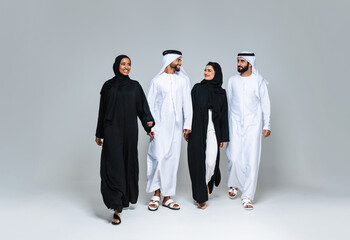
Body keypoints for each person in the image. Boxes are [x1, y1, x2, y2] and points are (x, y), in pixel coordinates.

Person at [95, 55, 154, 224]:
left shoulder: (134, 87)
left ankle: (123, 198)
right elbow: (102, 111)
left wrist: (148, 126)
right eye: (123, 64)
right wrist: (99, 133)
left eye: (129, 64)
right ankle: (116, 208)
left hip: (129, 131)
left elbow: (143, 109)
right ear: (116, 66)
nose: (126, 67)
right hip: (112, 130)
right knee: (114, 166)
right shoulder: (108, 86)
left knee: (127, 163)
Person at [146, 50, 192, 211]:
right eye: (178, 60)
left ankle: (167, 197)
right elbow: (149, 105)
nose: (180, 63)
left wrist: (188, 125)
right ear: (169, 60)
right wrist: (149, 126)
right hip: (159, 126)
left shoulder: (184, 81)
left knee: (172, 160)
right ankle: (156, 194)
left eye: (180, 60)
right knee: (158, 158)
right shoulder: (156, 81)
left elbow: (187, 104)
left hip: (177, 127)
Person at [226, 51, 271, 210]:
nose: (239, 64)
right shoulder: (232, 81)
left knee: (251, 159)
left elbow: (265, 103)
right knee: (234, 157)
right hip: (235, 122)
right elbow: (229, 103)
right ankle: (233, 184)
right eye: (238, 61)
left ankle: (247, 196)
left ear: (250, 64)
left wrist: (267, 124)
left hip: (254, 124)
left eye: (242, 61)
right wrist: (226, 125)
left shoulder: (258, 81)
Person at [188, 62, 229, 209]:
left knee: (211, 161)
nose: (206, 72)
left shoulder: (221, 93)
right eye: (205, 69)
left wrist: (223, 136)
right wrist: (186, 128)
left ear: (216, 73)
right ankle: (201, 196)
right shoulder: (197, 89)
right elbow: (188, 109)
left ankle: (205, 183)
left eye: (209, 70)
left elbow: (224, 115)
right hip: (197, 129)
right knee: (198, 162)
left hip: (213, 131)